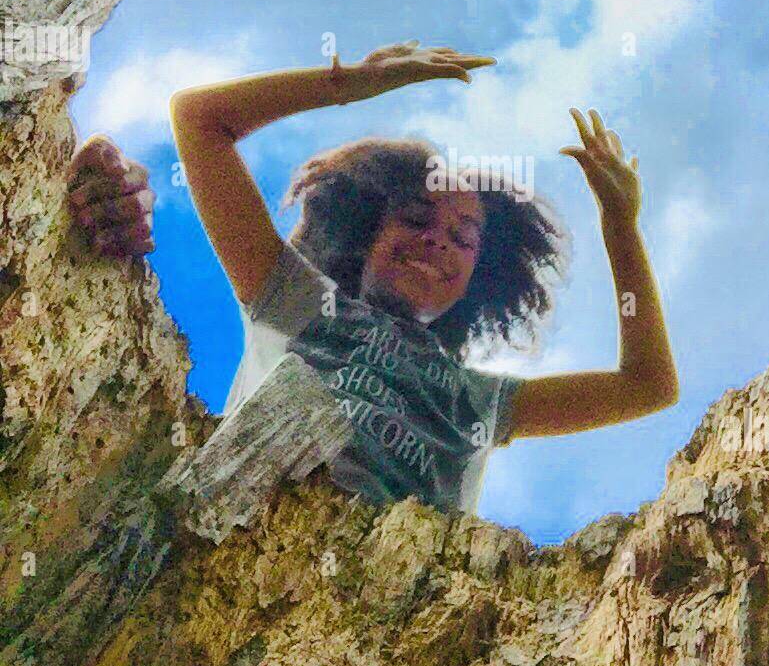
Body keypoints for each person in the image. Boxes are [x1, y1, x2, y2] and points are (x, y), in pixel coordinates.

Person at [68, 42, 679, 513]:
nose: (437, 239)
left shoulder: (478, 400)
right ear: (366, 234)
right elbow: (199, 120)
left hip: (383, 621)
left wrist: (620, 223)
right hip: (244, 555)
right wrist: (353, 82)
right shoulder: (297, 302)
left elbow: (647, 385)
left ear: (476, 280)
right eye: (416, 218)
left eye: (463, 240)